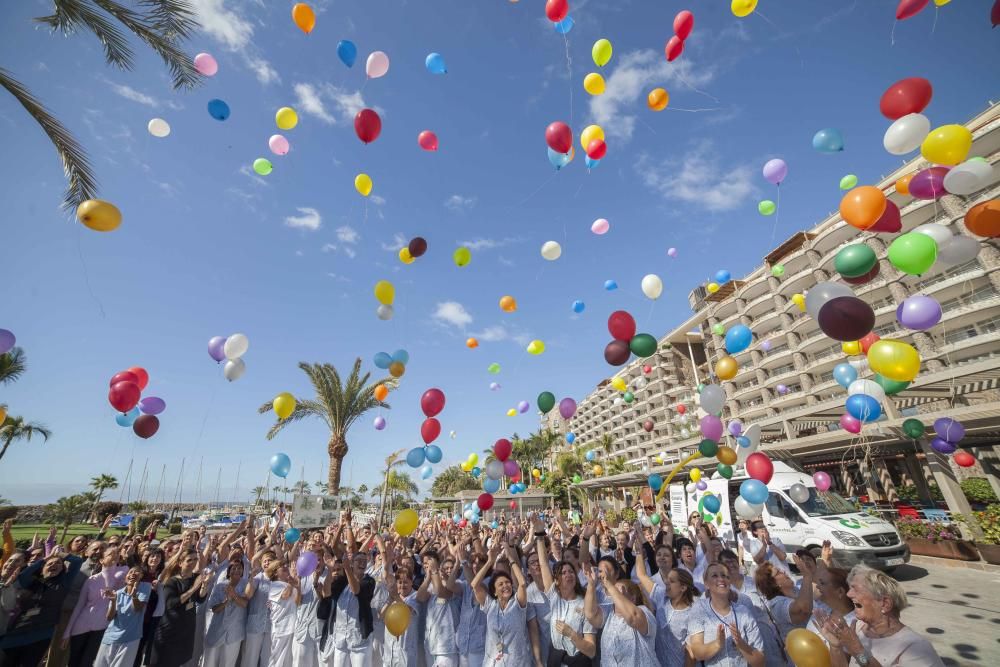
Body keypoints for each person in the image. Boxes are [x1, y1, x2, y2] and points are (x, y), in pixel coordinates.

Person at [814, 565, 944, 666]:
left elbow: (858, 653)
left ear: (885, 604)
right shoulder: (858, 628)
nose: (849, 595)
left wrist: (856, 649)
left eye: (856, 589)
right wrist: (835, 647)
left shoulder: (916, 647)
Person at [0, 548, 83, 667]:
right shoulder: (30, 581)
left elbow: (77, 562)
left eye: (58, 563)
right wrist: (44, 559)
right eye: (50, 563)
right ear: (42, 567)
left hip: (41, 634)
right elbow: (23, 575)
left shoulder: (63, 583)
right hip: (17, 630)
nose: (54, 564)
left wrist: (60, 554)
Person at [533, 526, 596, 667]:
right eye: (563, 573)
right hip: (555, 660)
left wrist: (572, 635)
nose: (568, 574)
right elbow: (543, 564)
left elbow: (591, 651)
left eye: (571, 572)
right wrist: (539, 534)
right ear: (556, 580)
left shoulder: (585, 604)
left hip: (578, 662)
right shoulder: (554, 597)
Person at [635, 530, 696, 667]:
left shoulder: (692, 612)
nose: (667, 584)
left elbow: (690, 653)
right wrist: (639, 551)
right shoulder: (661, 596)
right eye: (667, 581)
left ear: (683, 587)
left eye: (672, 582)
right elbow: (641, 575)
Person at [63, 545, 129, 667]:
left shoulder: (122, 573)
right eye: (110, 554)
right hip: (81, 625)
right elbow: (79, 606)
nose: (114, 555)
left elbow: (112, 580)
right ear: (101, 560)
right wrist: (67, 632)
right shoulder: (91, 580)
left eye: (117, 554)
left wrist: (114, 563)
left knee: (87, 661)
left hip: (101, 626)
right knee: (73, 661)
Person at [688, 563, 765, 666]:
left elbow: (760, 662)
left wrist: (741, 644)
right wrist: (718, 644)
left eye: (725, 576)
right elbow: (697, 653)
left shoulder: (744, 612)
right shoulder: (699, 608)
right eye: (715, 575)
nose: (721, 579)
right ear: (706, 584)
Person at [470, 540, 531, 667]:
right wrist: (489, 562)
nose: (506, 586)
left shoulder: (518, 604)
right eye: (501, 584)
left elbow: (522, 584)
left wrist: (511, 558)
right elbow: (474, 585)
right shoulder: (490, 606)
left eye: (507, 582)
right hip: (492, 662)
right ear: (495, 591)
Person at [584, 569, 658, 666]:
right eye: (615, 589)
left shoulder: (644, 611)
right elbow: (590, 614)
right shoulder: (609, 611)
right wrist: (591, 585)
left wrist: (608, 584)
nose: (615, 593)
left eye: (620, 589)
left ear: (633, 598)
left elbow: (633, 618)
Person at [150, 549, 210, 667]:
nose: (193, 562)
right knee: (163, 662)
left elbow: (200, 599)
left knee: (178, 661)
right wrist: (194, 588)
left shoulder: (196, 577)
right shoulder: (172, 581)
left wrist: (204, 585)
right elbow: (172, 603)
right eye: (189, 560)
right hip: (170, 629)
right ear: (180, 563)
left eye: (195, 559)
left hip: (186, 628)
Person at [95, 566, 151, 667]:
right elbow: (109, 617)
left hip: (130, 638)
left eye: (137, 572)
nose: (133, 574)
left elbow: (138, 608)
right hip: (110, 637)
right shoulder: (118, 592)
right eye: (130, 572)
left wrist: (134, 595)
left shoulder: (145, 587)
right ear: (126, 577)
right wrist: (113, 601)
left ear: (141, 576)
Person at [754, 556, 814, 642]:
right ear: (773, 583)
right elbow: (804, 608)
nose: (784, 571)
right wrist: (806, 575)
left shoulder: (795, 590)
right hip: (805, 652)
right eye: (778, 572)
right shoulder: (776, 604)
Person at [203, 560, 248, 667]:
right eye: (233, 568)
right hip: (217, 630)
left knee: (228, 664)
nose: (236, 570)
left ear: (243, 570)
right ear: (228, 571)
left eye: (239, 568)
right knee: (210, 662)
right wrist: (226, 602)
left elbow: (244, 604)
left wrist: (234, 595)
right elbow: (214, 608)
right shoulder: (219, 586)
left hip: (234, 632)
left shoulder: (247, 584)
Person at [416, 551, 457, 667]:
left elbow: (440, 592)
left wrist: (434, 572)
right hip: (431, 643)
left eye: (429, 562)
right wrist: (429, 576)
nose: (426, 565)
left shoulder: (451, 584)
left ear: (437, 565)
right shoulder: (429, 584)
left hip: (446, 647)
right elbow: (420, 597)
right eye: (424, 563)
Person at [266, 561, 301, 667]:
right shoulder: (273, 585)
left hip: (293, 626)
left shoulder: (290, 583)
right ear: (275, 572)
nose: (285, 567)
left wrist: (297, 586)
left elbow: (297, 602)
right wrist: (292, 581)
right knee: (276, 661)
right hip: (280, 628)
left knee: (288, 661)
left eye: (285, 565)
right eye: (281, 567)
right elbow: (285, 595)